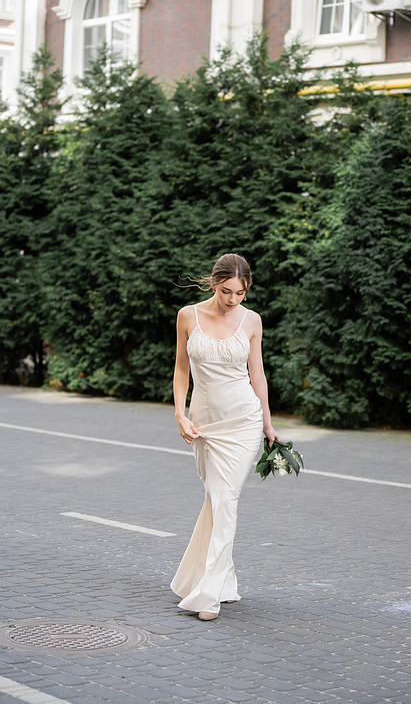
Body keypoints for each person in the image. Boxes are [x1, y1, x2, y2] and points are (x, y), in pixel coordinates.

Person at [170, 253, 279, 621]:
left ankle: (209, 593)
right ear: (214, 282)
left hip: (243, 421)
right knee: (216, 500)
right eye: (227, 290)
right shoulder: (188, 315)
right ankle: (225, 580)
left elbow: (258, 376)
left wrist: (267, 423)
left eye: (241, 292)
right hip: (205, 424)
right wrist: (179, 414)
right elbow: (181, 370)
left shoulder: (252, 321)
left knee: (225, 499)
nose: (234, 299)